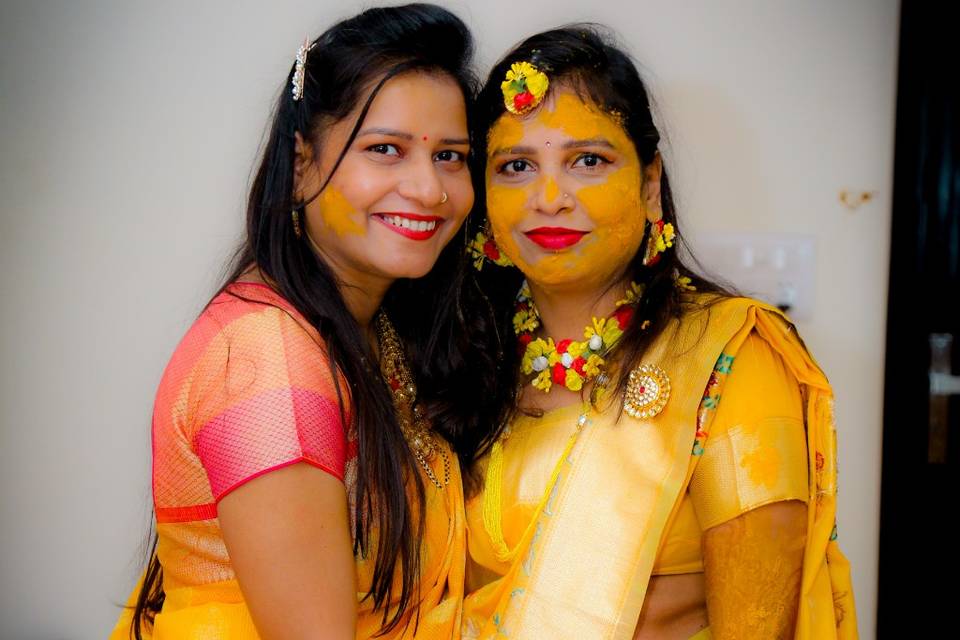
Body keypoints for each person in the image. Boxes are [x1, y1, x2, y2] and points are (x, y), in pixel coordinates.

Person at [110, 4, 495, 638]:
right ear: (300, 164)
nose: (429, 189)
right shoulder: (268, 360)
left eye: (451, 156)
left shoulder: (366, 325)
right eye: (385, 150)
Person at [461, 26, 858, 639]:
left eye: (587, 161)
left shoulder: (728, 357)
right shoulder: (464, 362)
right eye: (516, 166)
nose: (548, 197)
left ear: (650, 184)